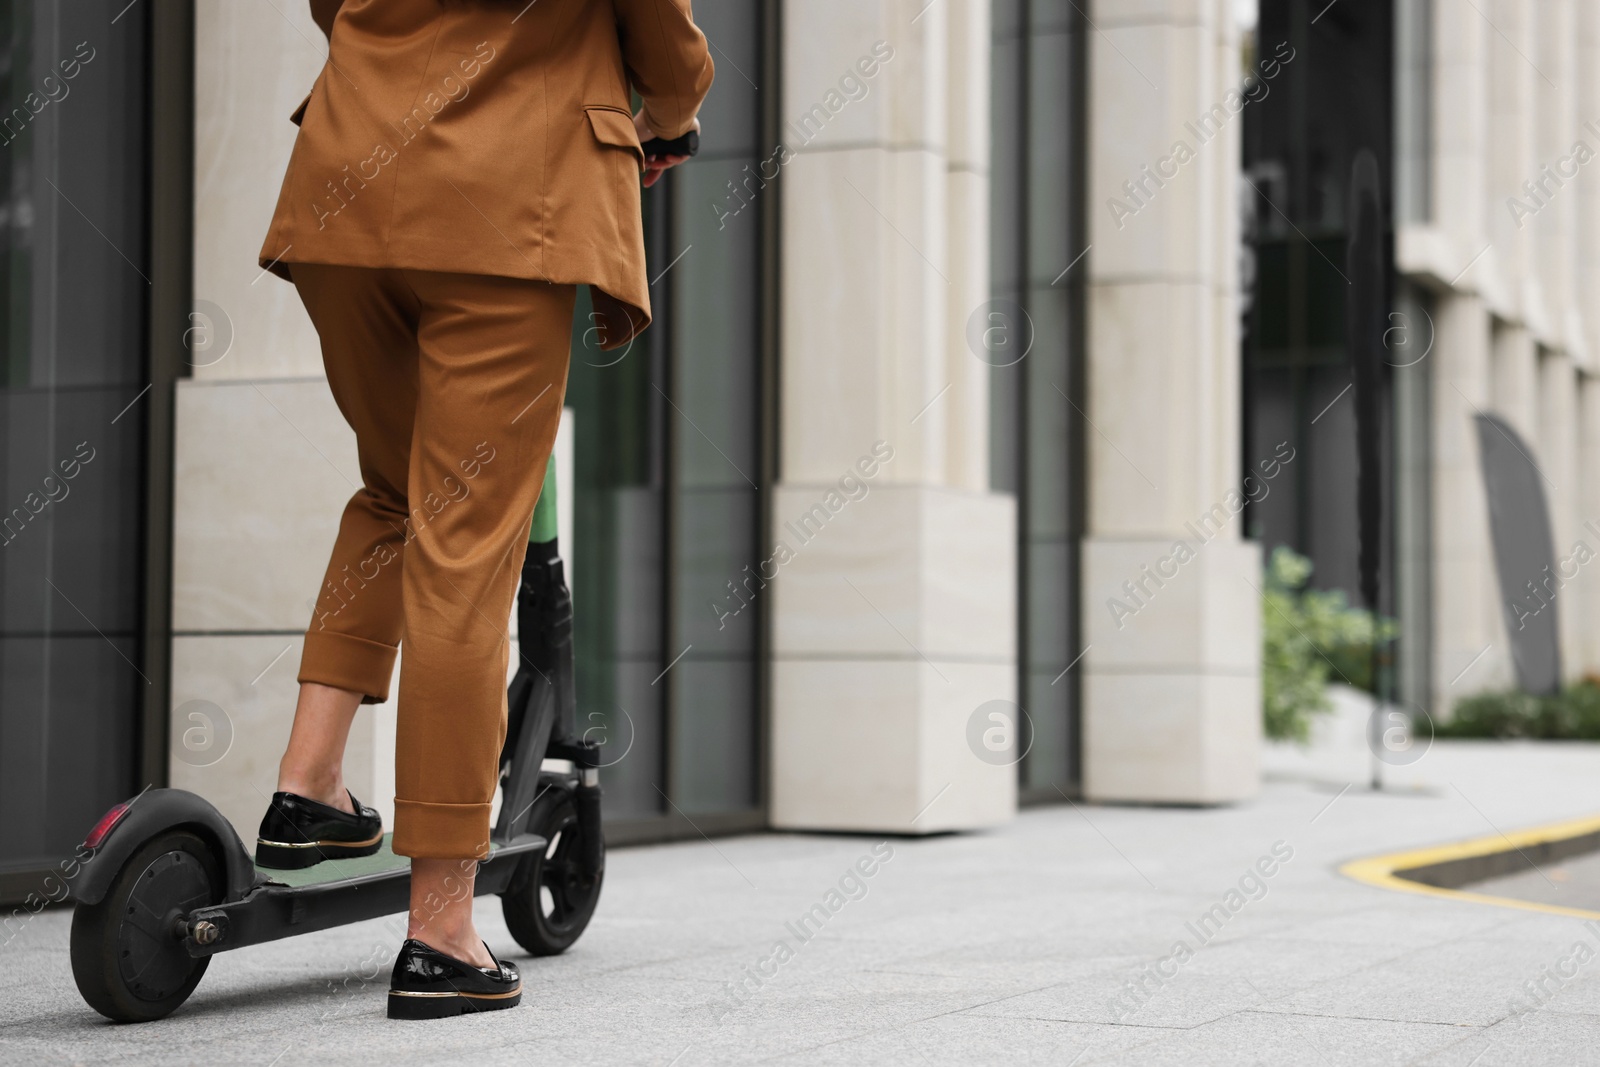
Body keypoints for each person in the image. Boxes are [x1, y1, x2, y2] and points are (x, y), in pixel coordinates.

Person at [250, 0, 711, 1019]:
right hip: (509, 204)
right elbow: (663, 32)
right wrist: (670, 115)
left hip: (352, 189)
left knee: (395, 492)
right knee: (463, 548)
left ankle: (308, 784)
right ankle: (442, 929)